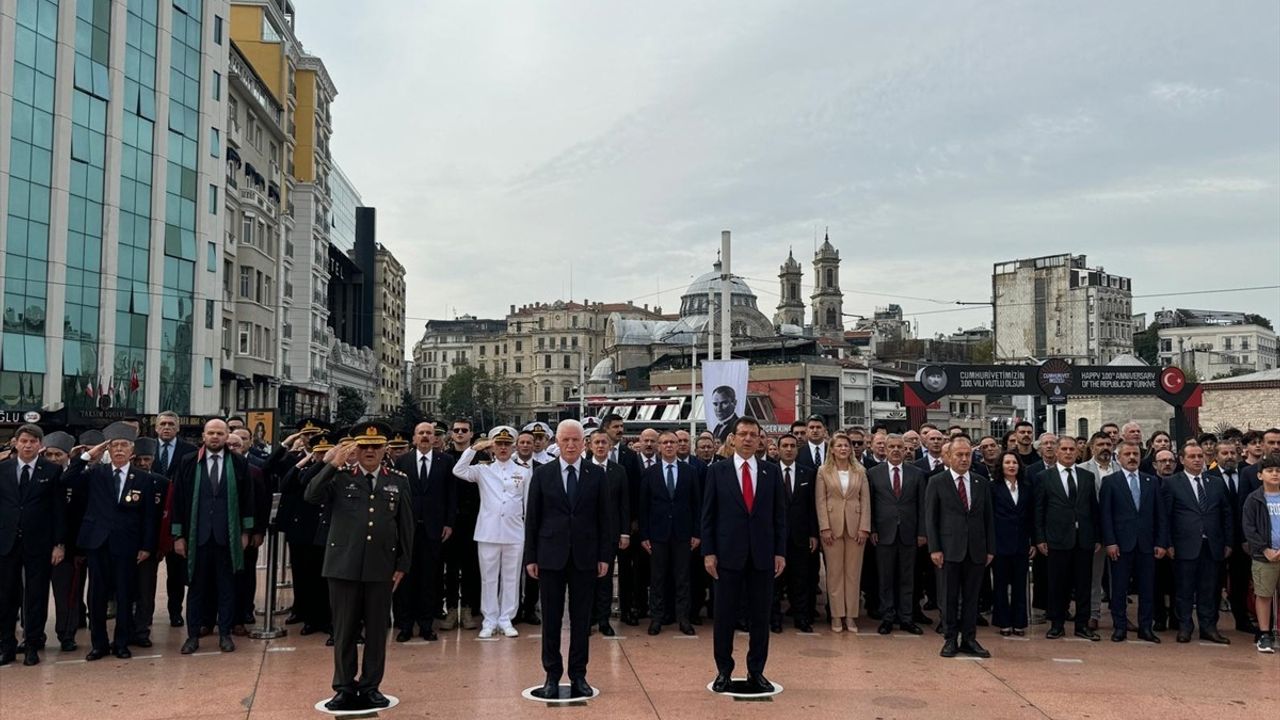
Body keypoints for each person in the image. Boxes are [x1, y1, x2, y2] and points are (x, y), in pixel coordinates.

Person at [306, 422, 414, 712]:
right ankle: (343, 686)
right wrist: (331, 464)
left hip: (381, 567)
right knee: (344, 631)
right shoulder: (340, 478)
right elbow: (311, 495)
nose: (370, 452)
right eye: (364, 447)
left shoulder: (398, 480)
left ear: (384, 450)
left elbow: (405, 525)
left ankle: (371, 686)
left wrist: (403, 563)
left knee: (377, 632)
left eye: (376, 446)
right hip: (343, 566)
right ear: (356, 449)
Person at [524, 420, 611, 700]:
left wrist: (604, 557)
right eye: (565, 440)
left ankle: (578, 674)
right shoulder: (542, 475)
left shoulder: (596, 475)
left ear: (583, 442)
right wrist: (531, 557)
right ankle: (551, 674)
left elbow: (604, 520)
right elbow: (533, 519)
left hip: (585, 558)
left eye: (576, 440)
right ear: (557, 443)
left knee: (581, 620)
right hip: (550, 557)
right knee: (551, 618)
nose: (571, 445)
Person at [702, 417, 786, 694]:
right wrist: (709, 553)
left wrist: (779, 552)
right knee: (724, 616)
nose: (748, 439)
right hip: (727, 556)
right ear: (733, 439)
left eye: (754, 435)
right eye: (743, 434)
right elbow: (708, 517)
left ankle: (757, 671)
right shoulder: (718, 471)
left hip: (762, 556)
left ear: (760, 439)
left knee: (760, 618)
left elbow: (779, 517)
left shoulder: (770, 472)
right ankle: (724, 671)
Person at [64, 423, 158, 661]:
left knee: (125, 596)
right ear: (107, 450)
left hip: (127, 545)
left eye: (123, 445)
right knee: (97, 596)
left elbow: (149, 517)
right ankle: (99, 644)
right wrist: (87, 455)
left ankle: (122, 642)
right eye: (114, 445)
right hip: (98, 543)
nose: (118, 450)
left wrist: (147, 546)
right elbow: (67, 479)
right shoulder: (96, 473)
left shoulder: (143, 479)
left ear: (131, 451)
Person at [171, 419, 256, 654]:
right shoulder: (189, 462)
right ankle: (192, 635)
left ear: (227, 435)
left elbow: (248, 499)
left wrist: (245, 532)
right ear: (203, 436)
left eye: (220, 433)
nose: (215, 437)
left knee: (227, 586)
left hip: (227, 536)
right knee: (197, 588)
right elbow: (177, 500)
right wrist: (178, 535)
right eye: (211, 433)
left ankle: (225, 634)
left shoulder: (238, 463)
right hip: (197, 536)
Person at [453, 426, 531, 638]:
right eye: (499, 444)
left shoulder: (523, 471)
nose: (503, 448)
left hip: (514, 532)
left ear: (512, 446)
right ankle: (489, 620)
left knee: (511, 577)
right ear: (492, 447)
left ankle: (506, 619)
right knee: (488, 578)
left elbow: (528, 504)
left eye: (507, 444)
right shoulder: (483, 470)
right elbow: (458, 470)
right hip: (488, 532)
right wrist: (475, 448)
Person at [0, 424, 66, 666]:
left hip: (39, 543)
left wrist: (59, 544)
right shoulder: (3, 469)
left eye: (33, 441)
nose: (28, 445)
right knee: (6, 596)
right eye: (24, 441)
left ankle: (32, 645)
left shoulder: (52, 471)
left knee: (36, 596)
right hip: (6, 543)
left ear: (40, 445)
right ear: (16, 443)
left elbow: (58, 511)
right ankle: (6, 645)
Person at [925, 436, 994, 658]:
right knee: (949, 597)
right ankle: (950, 638)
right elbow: (931, 518)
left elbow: (988, 518)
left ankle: (970, 639)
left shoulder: (980, 482)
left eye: (968, 455)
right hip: (949, 549)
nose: (964, 459)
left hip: (976, 550)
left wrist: (990, 549)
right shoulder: (937, 482)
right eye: (959, 455)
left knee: (972, 598)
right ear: (949, 457)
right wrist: (935, 548)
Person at [1161, 443, 1232, 644]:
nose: (1197, 460)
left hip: (1212, 545)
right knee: (1184, 589)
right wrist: (1168, 543)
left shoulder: (1216, 482)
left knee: (1209, 589)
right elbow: (1165, 517)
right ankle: (1185, 627)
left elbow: (1226, 513)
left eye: (1200, 456)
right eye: (1192, 456)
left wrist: (1228, 542)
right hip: (1184, 545)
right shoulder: (1172, 483)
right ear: (1182, 460)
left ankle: (1209, 627)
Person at [392, 421, 455, 642]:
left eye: (429, 433)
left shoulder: (445, 461)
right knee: (406, 577)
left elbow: (450, 495)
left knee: (430, 578)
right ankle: (406, 625)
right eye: (421, 433)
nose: (426, 436)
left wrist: (449, 523)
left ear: (435, 437)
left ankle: (427, 625)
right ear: (414, 438)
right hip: (407, 529)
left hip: (434, 529)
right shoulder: (402, 461)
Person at [1034, 436, 1101, 641]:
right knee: (1057, 584)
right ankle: (1056, 624)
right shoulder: (1044, 477)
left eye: (1072, 449)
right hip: (1056, 539)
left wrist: (1097, 536)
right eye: (1064, 449)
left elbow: (1094, 509)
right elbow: (1039, 510)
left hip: (1084, 539)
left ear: (1078, 452)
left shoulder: (1087, 477)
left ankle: (1082, 625)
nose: (1069, 452)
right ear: (1056, 451)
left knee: (1083, 584)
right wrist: (1039, 538)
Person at [1099, 440, 1163, 643]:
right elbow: (1105, 515)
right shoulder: (1110, 482)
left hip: (1146, 544)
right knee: (1119, 588)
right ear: (1119, 458)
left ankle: (1146, 627)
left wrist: (1161, 542)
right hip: (1120, 544)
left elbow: (1159, 514)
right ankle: (1120, 627)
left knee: (1147, 588)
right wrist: (1110, 541)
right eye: (1127, 454)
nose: (1132, 458)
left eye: (1135, 454)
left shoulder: (1151, 481)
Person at [638, 431, 700, 636]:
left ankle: (684, 618)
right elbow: (644, 506)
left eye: (673, 442)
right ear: (659, 446)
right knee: (657, 579)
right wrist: (645, 535)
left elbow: (696, 505)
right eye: (665, 443)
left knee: (683, 578)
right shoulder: (650, 472)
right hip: (657, 534)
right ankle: (656, 618)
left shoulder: (690, 471)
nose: (670, 446)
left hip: (683, 534)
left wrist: (696, 533)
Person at [867, 434, 925, 635]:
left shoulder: (917, 473)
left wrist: (921, 532)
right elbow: (871, 505)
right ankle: (887, 617)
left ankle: (906, 618)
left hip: (909, 533)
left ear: (906, 448)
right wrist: (872, 528)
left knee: (907, 578)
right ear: (885, 448)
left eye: (900, 446)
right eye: (891, 446)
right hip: (884, 534)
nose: (896, 450)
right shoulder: (873, 473)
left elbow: (922, 506)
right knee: (885, 577)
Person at [153, 410, 197, 628]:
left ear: (178, 428)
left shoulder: (190, 451)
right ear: (156, 427)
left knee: (176, 571)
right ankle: (143, 612)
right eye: (162, 424)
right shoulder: (145, 449)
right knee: (145, 570)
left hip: (178, 517)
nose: (167, 427)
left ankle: (175, 612)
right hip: (150, 519)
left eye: (171, 424)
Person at [602, 414, 646, 628]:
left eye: (622, 426)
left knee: (627, 570)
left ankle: (628, 609)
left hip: (625, 524)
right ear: (605, 429)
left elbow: (636, 490)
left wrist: (634, 520)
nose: (620, 430)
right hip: (600, 526)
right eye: (616, 426)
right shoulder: (593, 455)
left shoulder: (630, 456)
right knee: (602, 570)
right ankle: (599, 613)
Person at [41, 431, 83, 653]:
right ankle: (35, 634)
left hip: (68, 547)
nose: (54, 459)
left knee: (66, 595)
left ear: (68, 456)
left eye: (58, 454)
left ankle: (67, 635)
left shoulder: (77, 478)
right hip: (37, 546)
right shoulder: (37, 476)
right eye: (49, 454)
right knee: (34, 594)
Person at [1208, 441, 1255, 634]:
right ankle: (1211, 623)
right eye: (1224, 453)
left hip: (1241, 538)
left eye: (1233, 453)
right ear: (1216, 456)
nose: (1229, 457)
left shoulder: (1246, 474)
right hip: (1217, 538)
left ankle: (1242, 619)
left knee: (1240, 581)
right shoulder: (1208, 477)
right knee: (1214, 581)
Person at [441, 418, 483, 632]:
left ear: (471, 433)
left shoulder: (481, 458)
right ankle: (450, 609)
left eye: (464, 430)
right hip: (451, 522)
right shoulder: (444, 458)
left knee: (470, 567)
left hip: (474, 520)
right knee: (450, 568)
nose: (459, 433)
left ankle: (467, 609)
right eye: (456, 430)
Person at [773, 434, 817, 633]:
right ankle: (774, 620)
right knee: (774, 582)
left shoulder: (808, 474)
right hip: (775, 537)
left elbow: (812, 507)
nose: (789, 449)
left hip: (800, 536)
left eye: (792, 446)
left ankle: (801, 618)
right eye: (785, 446)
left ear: (797, 450)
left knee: (800, 580)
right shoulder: (768, 472)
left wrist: (813, 533)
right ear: (779, 449)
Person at [587, 430, 630, 636]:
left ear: (610, 446)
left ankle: (604, 620)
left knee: (605, 578)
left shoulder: (618, 470)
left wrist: (624, 532)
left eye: (604, 442)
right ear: (590, 445)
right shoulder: (583, 468)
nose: (601, 446)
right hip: (586, 534)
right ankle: (588, 619)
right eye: (597, 442)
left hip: (610, 534)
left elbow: (624, 504)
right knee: (586, 578)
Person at [991, 451, 1033, 636]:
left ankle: (1019, 622)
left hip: (1022, 543)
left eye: (1014, 462)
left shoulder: (1027, 487)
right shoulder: (993, 488)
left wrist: (1033, 541)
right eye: (1007, 462)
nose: (1011, 465)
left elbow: (1032, 515)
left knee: (1019, 585)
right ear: (1001, 465)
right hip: (1000, 544)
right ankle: (1003, 622)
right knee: (1000, 585)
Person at [1240, 454, 1280, 653]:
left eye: (1278, 471)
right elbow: (1249, 528)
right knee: (1263, 595)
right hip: (1264, 556)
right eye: (1270, 471)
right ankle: (1264, 634)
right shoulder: (1254, 499)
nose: (1274, 474)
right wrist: (1265, 549)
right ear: (1260, 475)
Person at [1078, 431, 1117, 632]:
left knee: (1119, 576)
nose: (1105, 448)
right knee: (1094, 576)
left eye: (1108, 444)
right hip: (1093, 532)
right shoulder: (1081, 470)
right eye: (1100, 444)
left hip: (1118, 533)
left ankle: (1120, 616)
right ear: (1092, 447)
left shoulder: (1120, 468)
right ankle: (1092, 614)